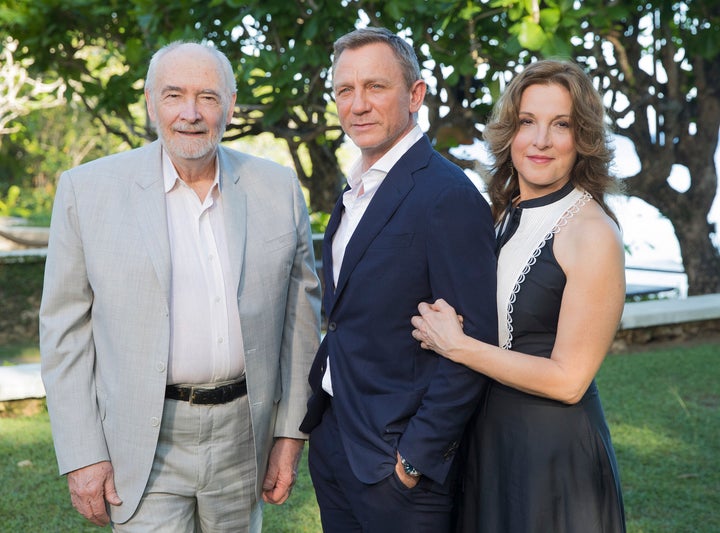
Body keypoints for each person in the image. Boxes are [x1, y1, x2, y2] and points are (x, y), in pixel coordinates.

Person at [39, 41, 321, 532]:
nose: (190, 113)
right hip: (142, 440)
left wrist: (290, 433)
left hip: (242, 434)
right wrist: (83, 452)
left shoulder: (277, 189)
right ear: (151, 102)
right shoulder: (86, 191)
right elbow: (64, 334)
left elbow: (301, 322)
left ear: (231, 107)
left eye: (208, 97)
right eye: (174, 96)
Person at [411, 59, 627, 532]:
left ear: (583, 139)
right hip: (486, 440)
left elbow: (570, 379)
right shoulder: (501, 212)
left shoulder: (591, 233)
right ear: (509, 132)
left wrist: (459, 346)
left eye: (561, 124)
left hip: (550, 453)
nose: (541, 140)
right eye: (528, 122)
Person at [299, 27, 498, 533]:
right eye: (345, 90)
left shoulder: (446, 195)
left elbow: (475, 343)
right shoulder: (354, 190)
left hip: (398, 466)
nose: (358, 104)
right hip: (337, 439)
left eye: (375, 87)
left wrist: (413, 461)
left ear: (415, 95)